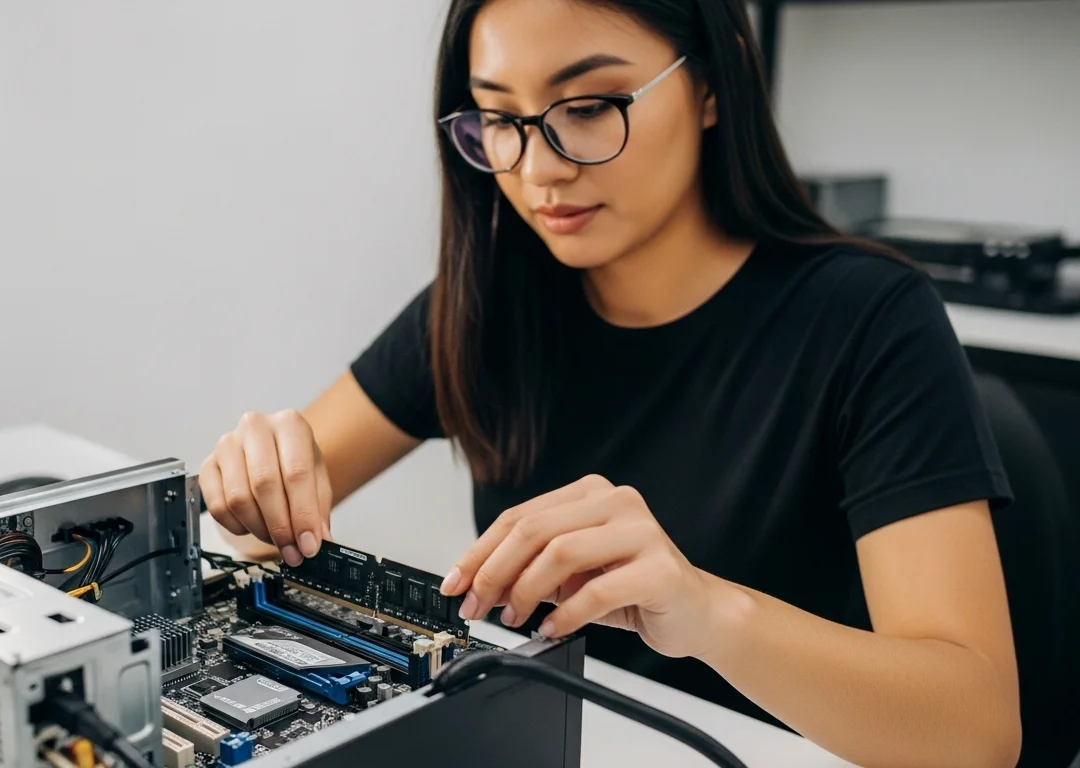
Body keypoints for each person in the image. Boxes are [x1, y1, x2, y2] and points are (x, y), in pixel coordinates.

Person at [199, 0, 1023, 765]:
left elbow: (979, 730)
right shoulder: (489, 302)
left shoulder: (868, 317)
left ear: (712, 84)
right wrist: (259, 481)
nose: (537, 170)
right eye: (499, 118)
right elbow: (270, 517)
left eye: (589, 107)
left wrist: (707, 611)